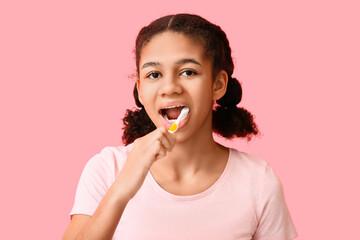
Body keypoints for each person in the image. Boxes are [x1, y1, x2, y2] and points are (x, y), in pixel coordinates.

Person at [62, 13, 298, 240]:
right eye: (154, 74)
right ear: (140, 90)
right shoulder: (107, 169)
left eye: (188, 72)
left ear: (218, 84)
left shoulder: (258, 181)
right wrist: (121, 188)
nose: (170, 87)